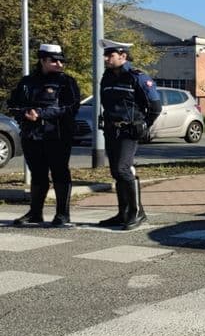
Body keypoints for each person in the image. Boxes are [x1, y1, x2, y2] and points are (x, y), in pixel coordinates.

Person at [8, 43, 81, 227]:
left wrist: (41, 114)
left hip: (57, 135)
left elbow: (71, 107)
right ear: (42, 60)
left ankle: (62, 214)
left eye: (61, 61)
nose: (59, 64)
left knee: (60, 173)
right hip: (32, 135)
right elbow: (12, 103)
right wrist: (24, 113)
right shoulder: (27, 82)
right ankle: (35, 213)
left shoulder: (66, 82)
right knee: (38, 174)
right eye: (54, 61)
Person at [97, 39, 162, 230]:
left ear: (123, 56)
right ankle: (123, 213)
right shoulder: (107, 77)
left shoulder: (137, 77)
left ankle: (137, 213)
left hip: (128, 130)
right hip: (111, 129)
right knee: (116, 172)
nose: (106, 58)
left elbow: (155, 106)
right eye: (106, 55)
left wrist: (144, 125)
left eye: (110, 55)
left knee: (123, 169)